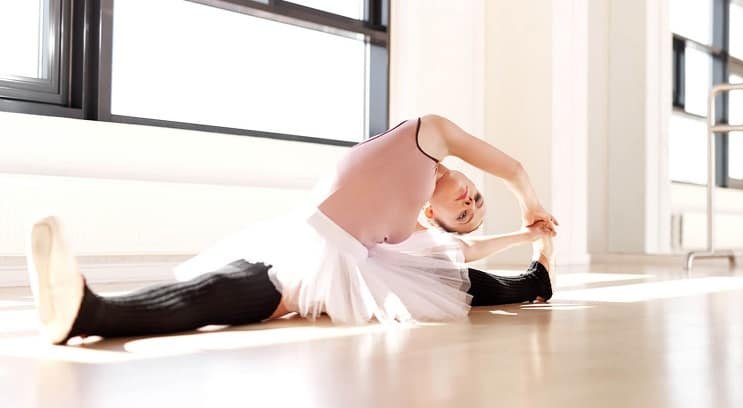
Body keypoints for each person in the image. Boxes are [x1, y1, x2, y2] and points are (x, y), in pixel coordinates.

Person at [25, 115, 558, 345]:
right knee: (230, 283)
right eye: (474, 197)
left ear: (430, 220)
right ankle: (87, 310)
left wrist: (528, 245)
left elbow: (463, 254)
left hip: (337, 256)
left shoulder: (423, 235)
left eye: (465, 213)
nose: (468, 200)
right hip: (310, 235)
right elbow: (511, 167)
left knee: (465, 286)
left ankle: (87, 311)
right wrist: (530, 209)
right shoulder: (431, 133)